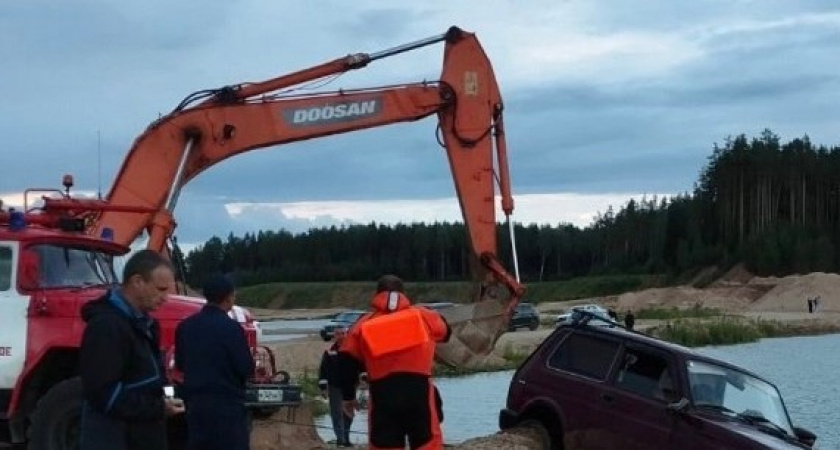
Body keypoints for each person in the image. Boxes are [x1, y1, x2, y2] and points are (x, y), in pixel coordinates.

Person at [78, 249, 185, 450]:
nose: (165, 298)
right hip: (114, 439)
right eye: (160, 289)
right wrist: (159, 408)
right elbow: (105, 395)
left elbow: (159, 377)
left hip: (143, 435)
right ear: (137, 282)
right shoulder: (106, 327)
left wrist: (172, 396)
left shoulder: (147, 324)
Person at [336, 274, 451, 450]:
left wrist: (348, 398)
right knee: (427, 443)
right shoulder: (423, 316)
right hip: (418, 392)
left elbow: (346, 361)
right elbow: (446, 332)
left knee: (384, 445)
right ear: (403, 293)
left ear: (377, 295)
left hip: (383, 395)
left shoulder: (364, 324)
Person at [175, 273, 256, 450]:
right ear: (228, 297)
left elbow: (180, 364)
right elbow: (246, 368)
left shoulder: (185, 326)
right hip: (228, 409)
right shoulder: (232, 328)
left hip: (195, 408)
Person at [318, 327, 354, 447]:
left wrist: (363, 379)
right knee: (336, 413)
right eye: (338, 334)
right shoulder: (329, 351)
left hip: (349, 386)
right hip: (334, 386)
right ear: (334, 335)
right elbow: (323, 370)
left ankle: (346, 438)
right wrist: (323, 387)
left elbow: (359, 365)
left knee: (349, 413)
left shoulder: (352, 350)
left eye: (343, 333)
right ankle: (340, 439)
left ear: (346, 334)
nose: (341, 336)